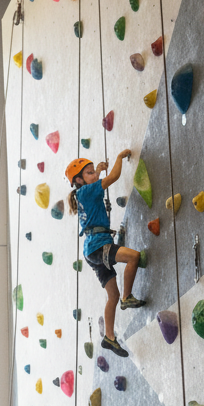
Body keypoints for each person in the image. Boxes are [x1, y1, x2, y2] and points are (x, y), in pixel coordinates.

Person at [66, 151, 145, 357]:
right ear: (79, 180)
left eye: (94, 172)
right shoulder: (85, 192)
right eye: (90, 173)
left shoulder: (84, 193)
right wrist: (119, 157)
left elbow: (97, 180)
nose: (95, 175)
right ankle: (127, 297)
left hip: (92, 249)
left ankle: (109, 337)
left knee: (112, 296)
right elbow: (113, 178)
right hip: (98, 245)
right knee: (133, 257)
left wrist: (97, 170)